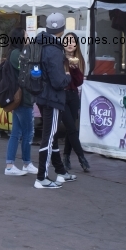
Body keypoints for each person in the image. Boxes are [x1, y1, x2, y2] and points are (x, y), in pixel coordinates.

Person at [33, 13, 75, 189]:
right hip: (52, 97)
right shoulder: (54, 49)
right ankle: (41, 177)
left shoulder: (39, 42)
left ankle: (61, 170)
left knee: (51, 134)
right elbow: (58, 81)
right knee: (49, 137)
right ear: (62, 29)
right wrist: (68, 76)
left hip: (40, 95)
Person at [5, 28, 37, 176]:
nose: (28, 37)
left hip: (20, 98)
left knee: (16, 132)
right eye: (26, 35)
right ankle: (26, 162)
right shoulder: (17, 54)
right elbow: (29, 69)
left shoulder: (15, 53)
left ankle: (11, 164)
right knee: (28, 132)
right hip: (23, 98)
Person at [61, 32, 90, 172]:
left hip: (73, 96)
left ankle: (66, 156)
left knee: (70, 128)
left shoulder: (79, 59)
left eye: (72, 41)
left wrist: (75, 70)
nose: (69, 44)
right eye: (67, 41)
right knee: (72, 129)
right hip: (61, 96)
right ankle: (81, 157)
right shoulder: (59, 59)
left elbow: (79, 83)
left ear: (76, 44)